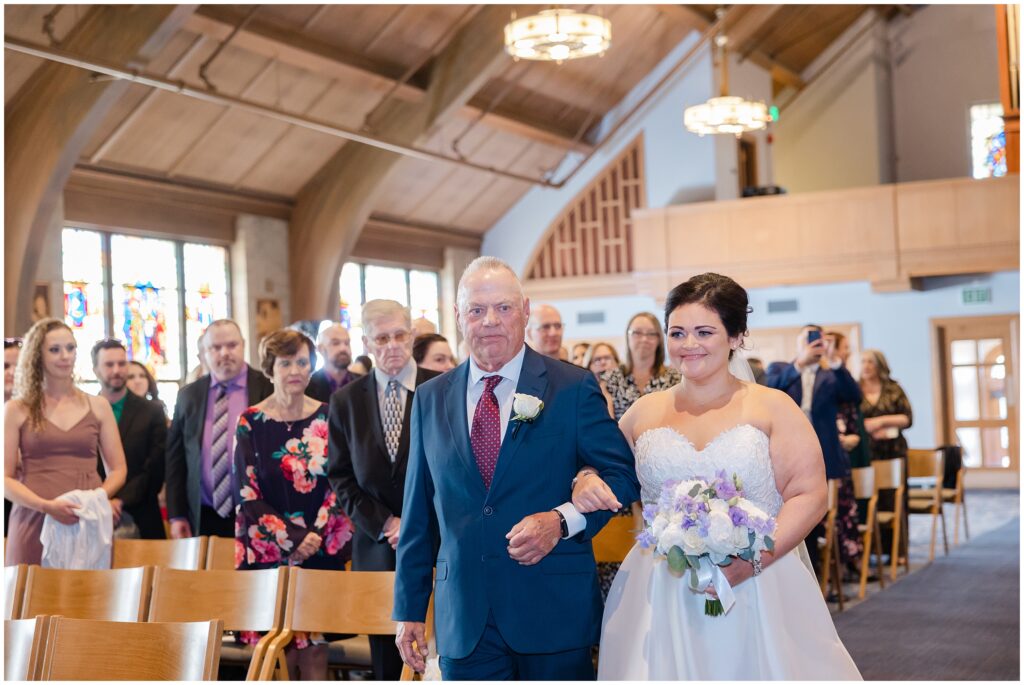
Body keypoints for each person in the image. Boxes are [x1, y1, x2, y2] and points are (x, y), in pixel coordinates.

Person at [573, 273, 861, 680]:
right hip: (661, 584)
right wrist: (584, 475)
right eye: (678, 332)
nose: (688, 345)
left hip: (759, 580)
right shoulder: (643, 412)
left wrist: (752, 562)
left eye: (704, 332)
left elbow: (809, 495)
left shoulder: (773, 407)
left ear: (736, 336)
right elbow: (607, 471)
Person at [393, 257, 639, 680]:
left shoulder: (571, 387)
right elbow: (417, 514)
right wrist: (410, 609)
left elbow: (622, 476)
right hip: (464, 618)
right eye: (476, 309)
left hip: (551, 609)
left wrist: (562, 520)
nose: (490, 321)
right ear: (457, 317)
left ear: (525, 311)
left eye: (503, 308)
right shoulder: (430, 399)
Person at [327, 301, 442, 680]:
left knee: (439, 653)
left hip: (436, 541)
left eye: (399, 335)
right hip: (377, 546)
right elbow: (341, 475)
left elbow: (454, 467)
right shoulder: (346, 400)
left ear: (411, 336)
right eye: (381, 338)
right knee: (387, 663)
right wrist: (387, 524)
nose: (392, 345)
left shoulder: (441, 388)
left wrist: (415, 523)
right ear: (367, 342)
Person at [235, 329, 354, 680]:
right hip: (269, 550)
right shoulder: (251, 422)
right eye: (286, 363)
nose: (295, 370)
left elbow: (341, 481)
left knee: (316, 654)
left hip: (320, 546)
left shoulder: (329, 416)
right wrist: (293, 538)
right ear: (270, 369)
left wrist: (314, 536)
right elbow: (247, 492)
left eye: (302, 362)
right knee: (277, 656)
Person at [4, 319, 128, 565]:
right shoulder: (17, 409)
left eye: (70, 348)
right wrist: (46, 506)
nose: (65, 356)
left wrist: (95, 500)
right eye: (55, 349)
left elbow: (119, 469)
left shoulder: (98, 405)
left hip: (87, 518)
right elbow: (4, 478)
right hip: (34, 516)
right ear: (37, 355)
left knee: (89, 598)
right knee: (29, 598)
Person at [765, 325, 862, 575]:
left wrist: (835, 362)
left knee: (817, 520)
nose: (814, 343)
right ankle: (793, 574)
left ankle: (818, 578)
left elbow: (854, 396)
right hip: (786, 456)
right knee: (789, 518)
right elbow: (770, 390)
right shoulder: (780, 369)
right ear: (799, 342)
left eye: (818, 339)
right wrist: (799, 363)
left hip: (824, 455)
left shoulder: (831, 376)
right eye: (809, 338)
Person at [166, 319, 274, 539]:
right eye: (216, 347)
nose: (224, 353)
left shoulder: (267, 388)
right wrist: (177, 515)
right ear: (204, 352)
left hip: (258, 511)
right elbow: (176, 459)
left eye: (232, 345)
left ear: (243, 345)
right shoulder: (189, 395)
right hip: (203, 514)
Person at [92, 340, 168, 540]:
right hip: (92, 513)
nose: (117, 370)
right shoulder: (85, 411)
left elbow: (154, 467)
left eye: (122, 363)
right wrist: (102, 500)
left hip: (141, 513)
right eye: (109, 365)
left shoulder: (151, 411)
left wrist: (119, 501)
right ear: (95, 370)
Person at [860, 348, 913, 556]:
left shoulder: (893, 388)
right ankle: (871, 552)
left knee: (894, 499)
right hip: (868, 452)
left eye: (870, 362)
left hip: (893, 451)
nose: (865, 366)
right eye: (863, 362)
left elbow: (907, 418)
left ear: (879, 365)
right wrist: (867, 426)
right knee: (870, 497)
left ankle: (897, 552)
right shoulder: (855, 390)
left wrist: (880, 421)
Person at [827, 331, 871, 575]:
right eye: (844, 347)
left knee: (844, 509)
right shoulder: (814, 372)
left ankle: (847, 561)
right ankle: (831, 565)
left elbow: (854, 396)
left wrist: (836, 364)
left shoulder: (838, 373)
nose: (846, 352)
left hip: (841, 452)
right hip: (826, 450)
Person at [602, 312, 681, 421]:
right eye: (637, 333)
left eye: (651, 334)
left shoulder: (675, 378)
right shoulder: (610, 380)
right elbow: (607, 424)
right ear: (627, 336)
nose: (644, 339)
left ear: (659, 339)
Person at [306, 323, 359, 402]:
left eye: (347, 343)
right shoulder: (308, 386)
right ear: (321, 349)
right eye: (335, 343)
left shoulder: (363, 383)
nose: (343, 348)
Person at [5, 337, 23, 529]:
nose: (11, 373)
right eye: (5, 366)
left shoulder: (39, 411)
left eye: (17, 366)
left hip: (27, 499)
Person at [582, 342, 620, 418]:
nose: (603, 363)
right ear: (589, 366)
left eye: (607, 358)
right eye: (597, 360)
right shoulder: (583, 393)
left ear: (617, 362)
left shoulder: (627, 389)